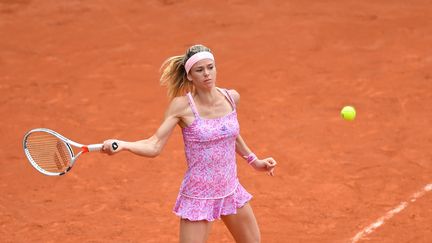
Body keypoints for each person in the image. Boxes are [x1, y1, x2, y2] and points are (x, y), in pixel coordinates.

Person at [101, 44, 277, 243]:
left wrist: (254, 161)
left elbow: (229, 134)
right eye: (200, 70)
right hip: (199, 196)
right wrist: (123, 144)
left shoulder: (231, 98)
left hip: (229, 189)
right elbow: (154, 145)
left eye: (211, 67)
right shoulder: (182, 107)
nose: (207, 74)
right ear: (190, 75)